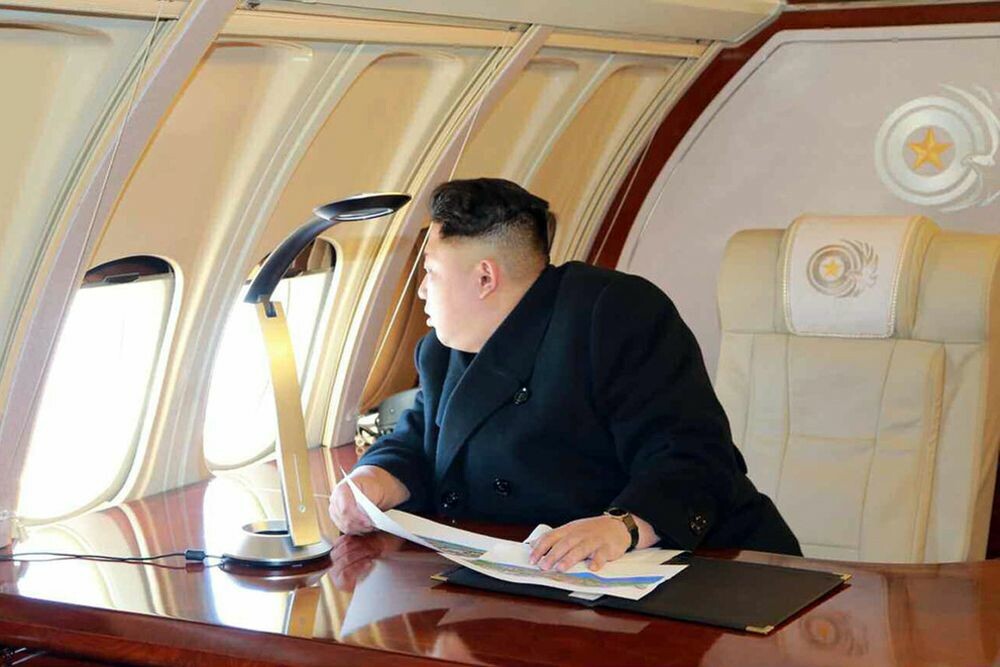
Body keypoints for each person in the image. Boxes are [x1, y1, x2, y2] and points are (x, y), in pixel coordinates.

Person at [329, 178, 801, 572]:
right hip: (538, 573)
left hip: (708, 566)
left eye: (431, 271)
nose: (420, 290)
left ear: (485, 278)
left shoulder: (615, 314)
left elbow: (692, 453)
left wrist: (624, 525)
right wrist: (376, 478)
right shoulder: (440, 350)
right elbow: (419, 441)